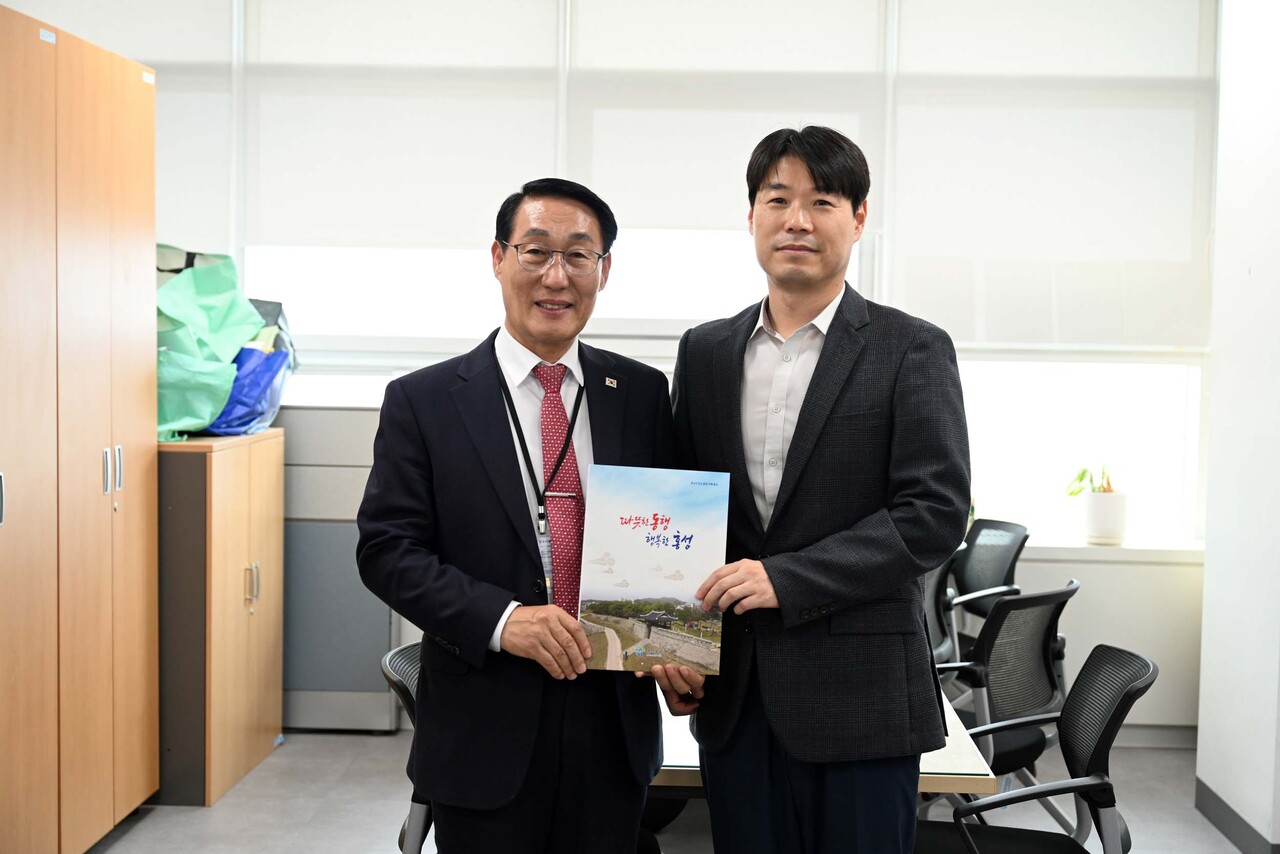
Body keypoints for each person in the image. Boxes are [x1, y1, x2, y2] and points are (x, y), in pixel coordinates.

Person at [653, 126, 971, 853]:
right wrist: (667, 642)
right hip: (734, 694)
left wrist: (784, 578)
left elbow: (934, 514)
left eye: (822, 201)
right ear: (752, 216)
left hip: (863, 697)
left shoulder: (911, 347)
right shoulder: (704, 351)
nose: (797, 219)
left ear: (858, 219)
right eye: (778, 199)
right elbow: (680, 508)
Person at [356, 178, 679, 854]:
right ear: (499, 258)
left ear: (605, 270)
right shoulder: (426, 400)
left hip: (612, 720)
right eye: (535, 252)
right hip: (484, 721)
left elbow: (665, 541)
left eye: (579, 256)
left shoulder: (641, 394)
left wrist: (673, 645)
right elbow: (388, 551)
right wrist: (504, 621)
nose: (556, 276)